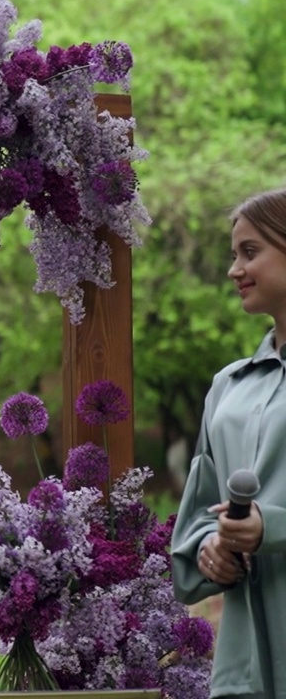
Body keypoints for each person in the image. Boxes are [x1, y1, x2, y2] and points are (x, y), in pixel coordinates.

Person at [172, 187, 286, 699]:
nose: (233, 270)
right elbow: (198, 516)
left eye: (250, 252)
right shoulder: (229, 387)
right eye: (233, 254)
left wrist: (271, 527)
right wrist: (210, 550)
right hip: (244, 671)